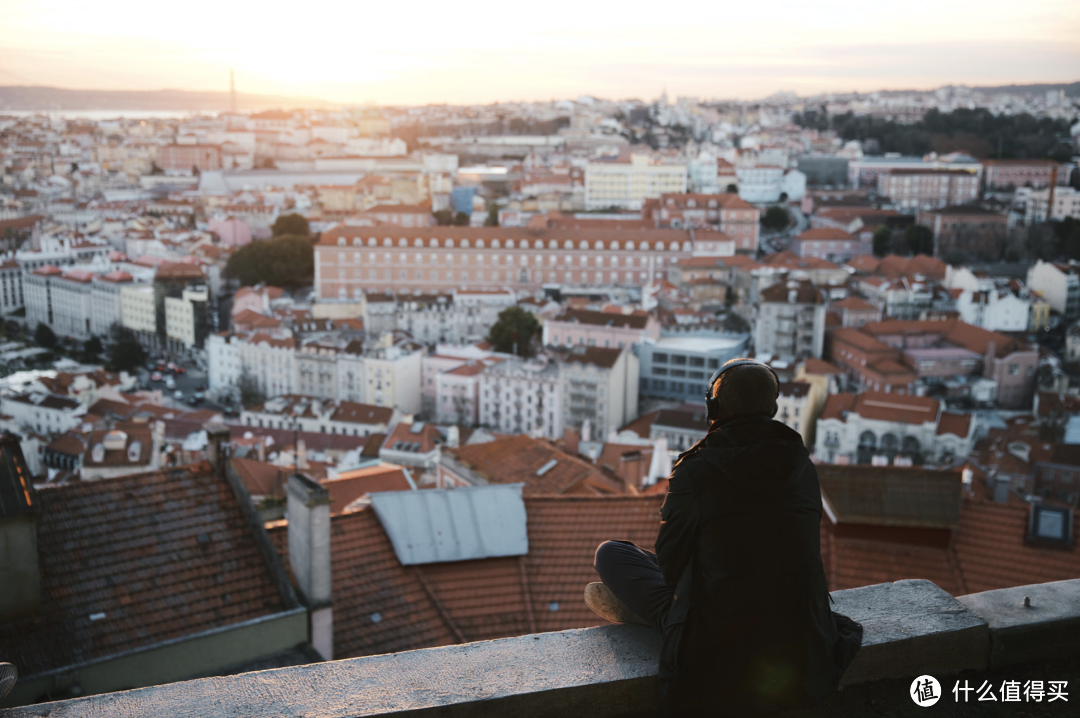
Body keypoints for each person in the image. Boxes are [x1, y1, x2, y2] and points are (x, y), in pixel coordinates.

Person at [584, 358, 863, 716]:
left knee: (611, 554)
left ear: (712, 408)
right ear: (774, 408)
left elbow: (670, 568)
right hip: (800, 630)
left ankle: (655, 618)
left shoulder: (697, 471)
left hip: (719, 639)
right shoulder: (801, 466)